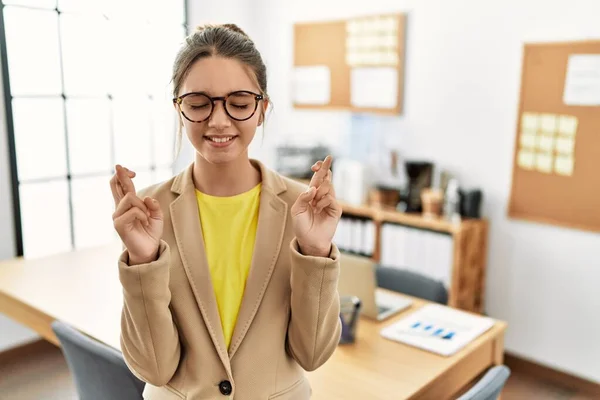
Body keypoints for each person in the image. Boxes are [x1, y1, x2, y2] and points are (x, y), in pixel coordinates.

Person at [110, 23, 343, 400]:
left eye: (238, 102)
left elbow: (313, 354)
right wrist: (142, 259)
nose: (218, 121)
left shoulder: (302, 210)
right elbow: (154, 369)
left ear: (262, 109)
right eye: (199, 103)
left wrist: (315, 251)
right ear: (179, 109)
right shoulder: (148, 214)